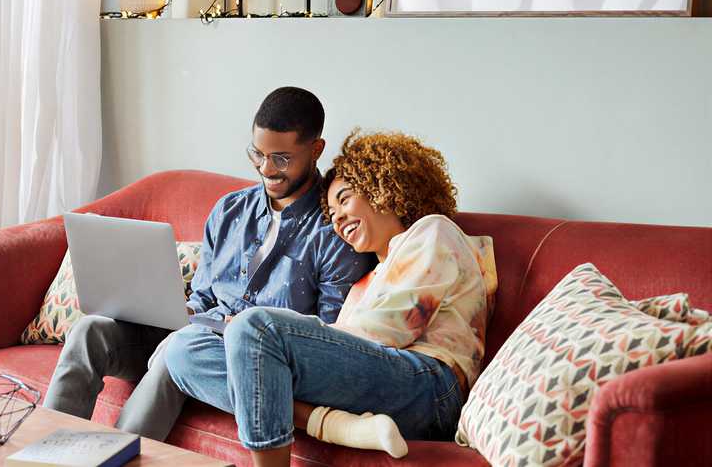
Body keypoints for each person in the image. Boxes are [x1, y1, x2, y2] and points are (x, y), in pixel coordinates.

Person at [42, 88, 376, 440]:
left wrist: (244, 328)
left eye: (281, 158)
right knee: (90, 331)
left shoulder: (334, 231)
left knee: (179, 349)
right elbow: (203, 296)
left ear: (316, 149)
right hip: (196, 331)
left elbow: (326, 338)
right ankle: (48, 453)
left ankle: (114, 457)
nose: (266, 169)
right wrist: (173, 310)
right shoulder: (230, 210)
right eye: (257, 154)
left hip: (248, 359)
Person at [165, 129, 495, 466]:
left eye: (345, 199)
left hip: (430, 387)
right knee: (183, 353)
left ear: (382, 189)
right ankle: (332, 424)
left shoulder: (432, 232)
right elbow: (343, 356)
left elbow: (388, 332)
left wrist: (262, 334)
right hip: (383, 382)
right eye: (331, 212)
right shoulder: (365, 282)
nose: (337, 218)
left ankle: (307, 429)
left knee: (256, 328)